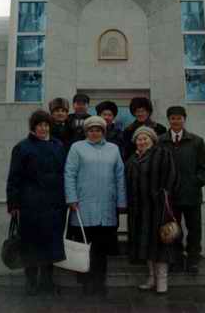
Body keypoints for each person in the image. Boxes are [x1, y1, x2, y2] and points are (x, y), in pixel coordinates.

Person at [6, 109, 66, 296]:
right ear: (33, 127)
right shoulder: (22, 147)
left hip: (54, 204)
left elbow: (64, 173)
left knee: (51, 244)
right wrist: (13, 205)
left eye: (46, 125)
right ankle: (31, 283)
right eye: (40, 125)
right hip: (30, 204)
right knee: (30, 245)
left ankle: (47, 282)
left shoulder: (58, 145)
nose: (43, 128)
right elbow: (14, 178)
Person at [65, 116, 127, 295]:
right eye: (91, 129)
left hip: (106, 206)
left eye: (98, 130)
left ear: (103, 132)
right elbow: (69, 174)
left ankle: (100, 282)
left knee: (101, 249)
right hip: (83, 206)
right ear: (86, 132)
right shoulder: (77, 148)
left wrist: (121, 202)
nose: (94, 133)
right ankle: (86, 282)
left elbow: (119, 176)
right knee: (85, 247)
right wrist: (71, 198)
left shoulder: (113, 149)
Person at [159, 106, 205, 274]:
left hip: (191, 195)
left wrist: (196, 182)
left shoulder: (196, 141)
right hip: (170, 196)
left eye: (179, 118)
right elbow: (157, 167)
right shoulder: (161, 141)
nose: (175, 121)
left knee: (194, 229)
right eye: (172, 118)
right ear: (169, 120)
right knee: (173, 230)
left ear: (184, 119)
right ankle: (175, 259)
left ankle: (193, 260)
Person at [126, 126, 178, 294]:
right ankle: (151, 277)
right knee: (145, 244)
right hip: (139, 209)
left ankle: (162, 279)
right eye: (139, 139)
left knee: (160, 243)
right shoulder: (131, 159)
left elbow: (171, 177)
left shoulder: (162, 154)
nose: (141, 142)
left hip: (158, 208)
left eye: (145, 138)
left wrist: (163, 196)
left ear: (152, 140)